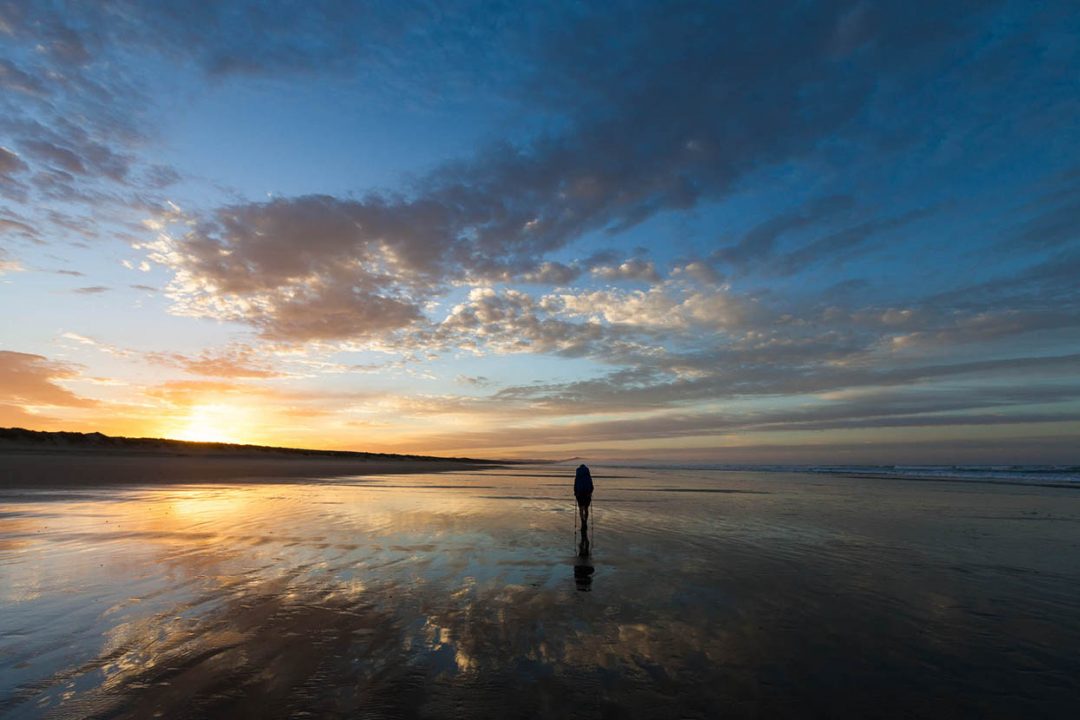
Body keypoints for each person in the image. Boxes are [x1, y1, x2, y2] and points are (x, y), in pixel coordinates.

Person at [574, 463, 593, 534]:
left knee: (581, 508)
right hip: (587, 494)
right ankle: (586, 521)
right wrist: (590, 492)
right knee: (586, 508)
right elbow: (592, 486)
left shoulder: (578, 476)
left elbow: (575, 485)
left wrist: (575, 493)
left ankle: (582, 520)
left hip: (580, 494)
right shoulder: (588, 476)